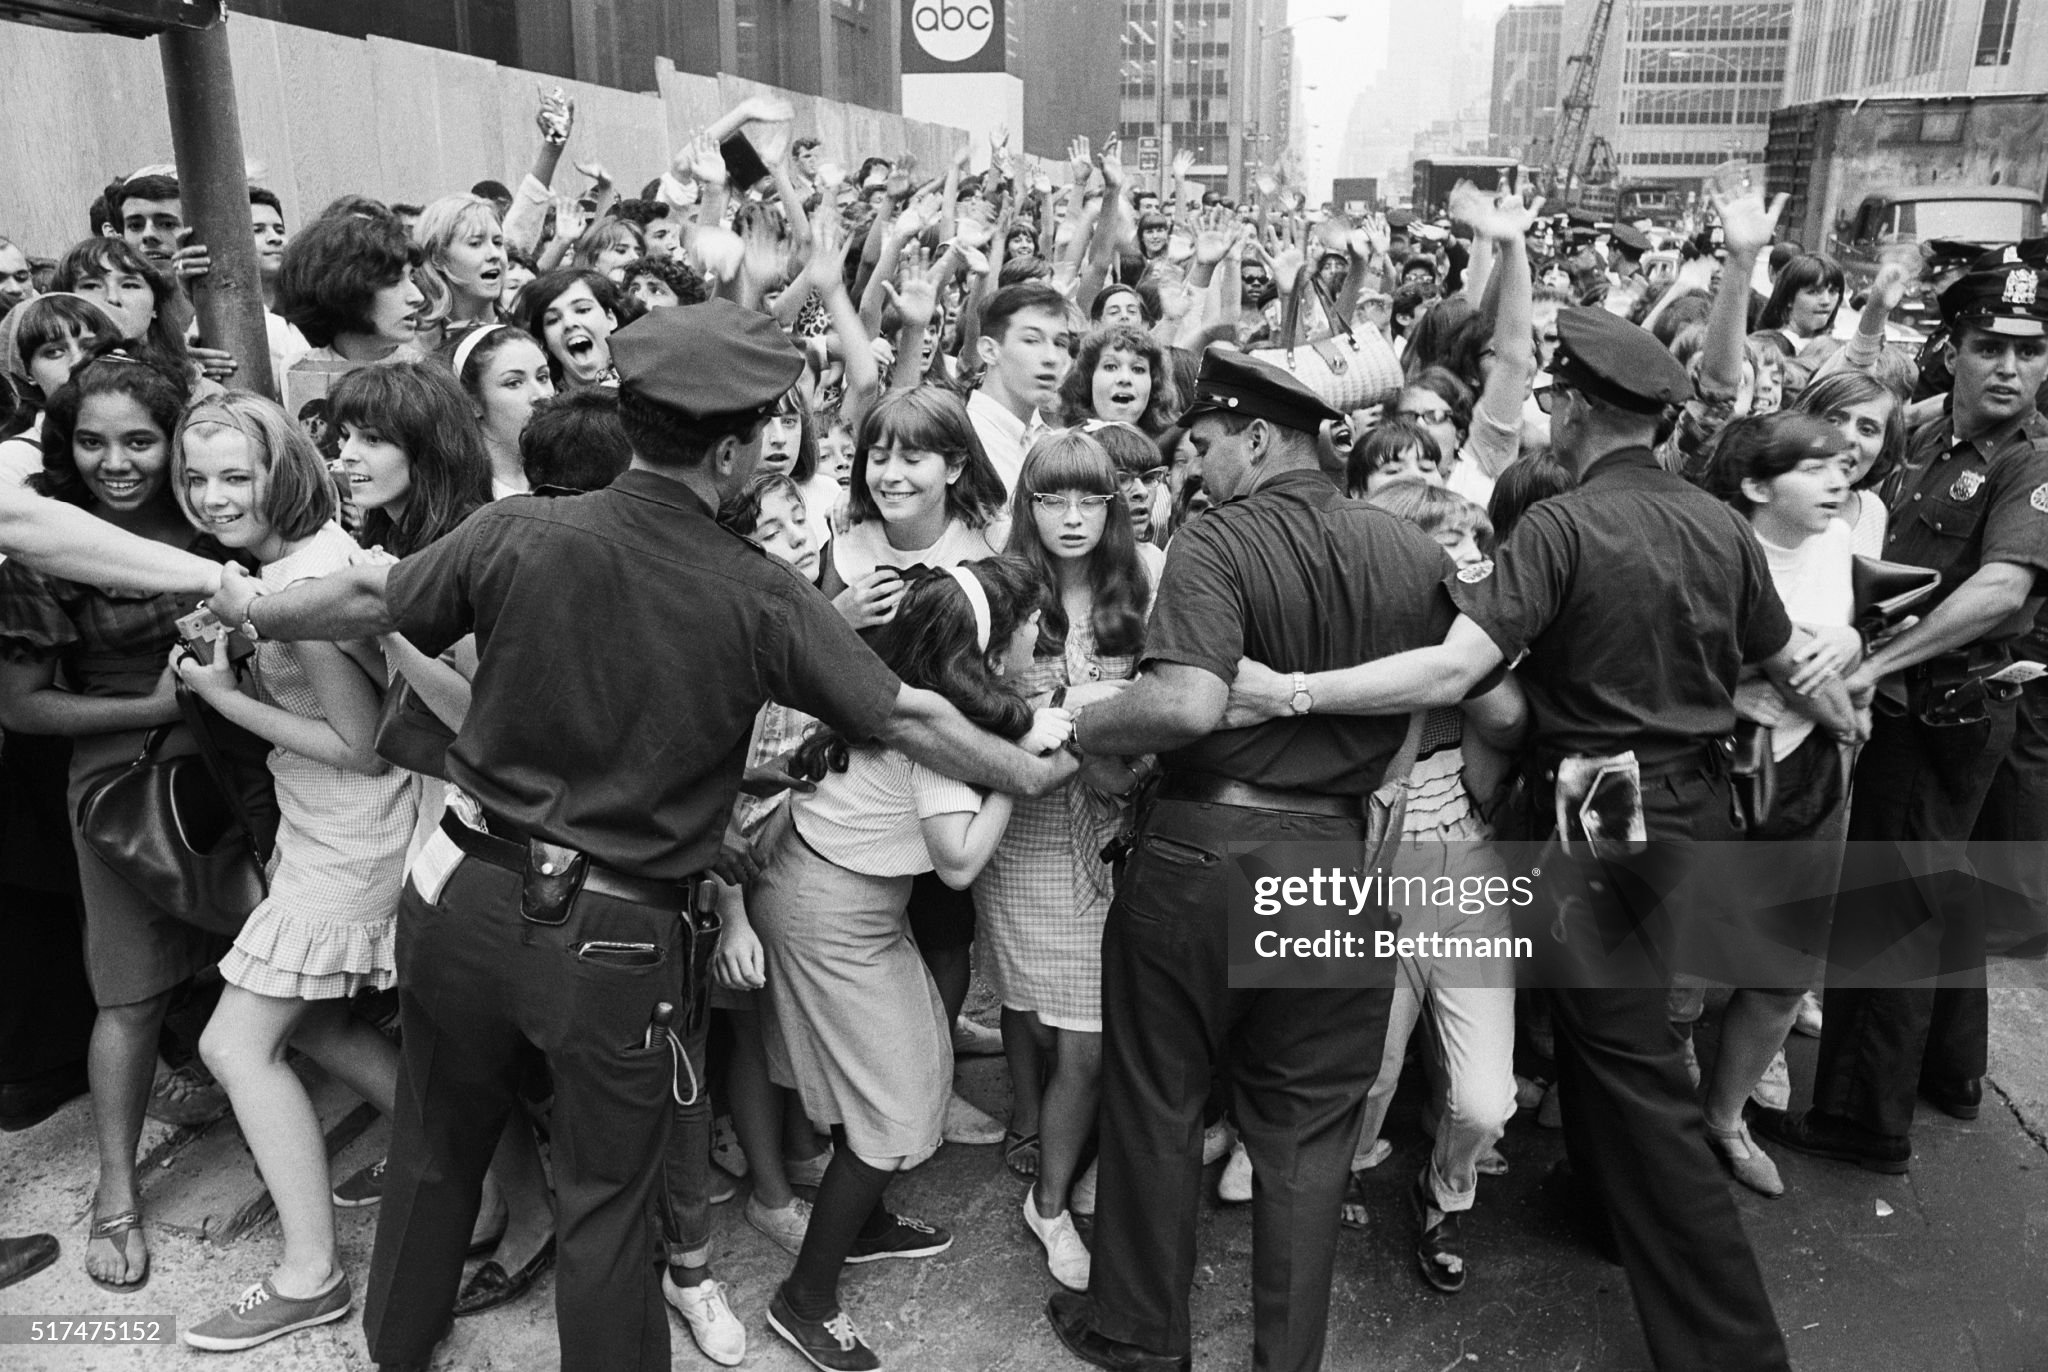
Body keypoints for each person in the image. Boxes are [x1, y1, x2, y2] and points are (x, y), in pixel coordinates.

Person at [202, 299, 1077, 1372]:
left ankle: (398, 1347)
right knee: (608, 1202)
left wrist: (248, 608)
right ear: (730, 447)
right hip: (613, 935)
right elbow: (905, 713)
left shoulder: (520, 526)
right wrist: (1028, 762)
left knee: (433, 1143)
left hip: (459, 894)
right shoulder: (758, 593)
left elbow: (358, 593)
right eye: (763, 430)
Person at [1221, 306, 1857, 1372]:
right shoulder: (1713, 523)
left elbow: (1447, 673)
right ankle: (1609, 1217)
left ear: (1572, 409)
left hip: (1604, 810)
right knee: (1627, 1050)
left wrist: (1289, 688)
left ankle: (1734, 1350)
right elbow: (1786, 660)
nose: (1546, 418)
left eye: (1553, 401)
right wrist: (1846, 717)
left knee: (1637, 1072)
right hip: (1692, 809)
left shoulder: (1559, 528)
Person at [1044, 348, 1457, 1372]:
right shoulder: (1406, 548)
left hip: (1203, 848)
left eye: (1206, 445)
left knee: (1155, 1097)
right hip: (1331, 849)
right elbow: (1455, 694)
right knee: (1308, 1137)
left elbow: (1183, 705)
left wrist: (1086, 720)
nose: (1196, 466)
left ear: (1261, 438)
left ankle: (1139, 1332)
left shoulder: (1217, 539)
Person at [1757, 250, 2048, 1174]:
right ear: (1952, 351)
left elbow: (2001, 590)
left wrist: (1871, 663)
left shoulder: (2030, 464)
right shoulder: (1920, 436)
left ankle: (1858, 1119)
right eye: (1991, 346)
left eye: (2031, 351)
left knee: (1894, 905)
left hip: (1945, 703)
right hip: (1913, 701)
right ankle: (1950, 1074)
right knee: (1936, 890)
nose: (2012, 367)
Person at [753, 558, 1059, 1370]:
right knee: (895, 1104)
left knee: (916, 1051)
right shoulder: (943, 730)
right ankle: (805, 1301)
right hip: (830, 913)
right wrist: (1009, 777)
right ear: (995, 640)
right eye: (1033, 622)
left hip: (833, 895)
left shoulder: (908, 685)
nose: (1042, 634)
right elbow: (957, 864)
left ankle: (865, 1219)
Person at [168, 393, 418, 1350]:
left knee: (238, 1046)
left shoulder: (305, 584)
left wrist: (225, 697)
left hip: (353, 834)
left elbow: (362, 748)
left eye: (238, 475)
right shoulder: (283, 570)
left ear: (286, 472)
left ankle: (310, 1275)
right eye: (198, 477)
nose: (215, 495)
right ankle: (478, 1190)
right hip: (321, 831)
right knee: (314, 1023)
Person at [0, 354, 218, 1293]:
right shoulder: (44, 547)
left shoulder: (216, 511)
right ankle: (116, 1192)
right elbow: (23, 708)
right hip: (126, 789)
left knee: (284, 968)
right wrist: (161, 708)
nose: (115, 461)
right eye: (91, 441)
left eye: (139, 440)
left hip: (244, 769)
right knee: (129, 996)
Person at [985, 431, 1155, 1288]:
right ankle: (1051, 1204)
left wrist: (1074, 703)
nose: (1074, 516)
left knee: (1090, 1023)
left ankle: (1059, 1155)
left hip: (1120, 821)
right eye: (1054, 499)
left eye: (1091, 498)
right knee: (1067, 1027)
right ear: (1030, 506)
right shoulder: (1002, 589)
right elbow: (981, 707)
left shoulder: (1146, 579)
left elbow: (1175, 696)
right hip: (1028, 832)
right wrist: (1093, 700)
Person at [1691, 411, 1863, 1199]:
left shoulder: (1841, 541)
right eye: (1817, 467)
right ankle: (1658, 1130)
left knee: (1780, 972)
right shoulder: (1708, 550)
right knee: (1676, 974)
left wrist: (1856, 647)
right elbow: (1646, 665)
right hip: (1710, 782)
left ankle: (1725, 1119)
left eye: (1843, 464)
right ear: (1758, 486)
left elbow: (1852, 637)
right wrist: (1733, 695)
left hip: (1810, 781)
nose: (1840, 478)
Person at [0, 293, 122, 488]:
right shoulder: (13, 460)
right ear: (28, 372)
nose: (77, 361)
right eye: (54, 352)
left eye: (90, 346)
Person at [969, 283, 1071, 493]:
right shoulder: (958, 436)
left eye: (1060, 343)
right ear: (989, 350)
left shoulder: (1048, 440)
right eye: (1032, 340)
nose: (1051, 358)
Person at [444, 325, 555, 498]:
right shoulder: (458, 502)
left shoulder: (575, 477)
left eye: (543, 377)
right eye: (514, 383)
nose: (542, 395)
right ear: (473, 403)